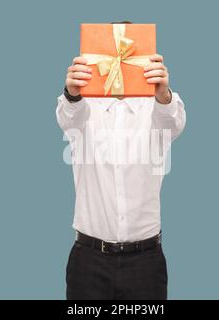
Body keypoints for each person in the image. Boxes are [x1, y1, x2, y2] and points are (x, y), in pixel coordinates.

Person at [56, 23, 186, 300]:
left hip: (145, 262)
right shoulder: (82, 109)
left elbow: (173, 122)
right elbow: (68, 116)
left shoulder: (158, 108)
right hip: (88, 262)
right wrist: (72, 92)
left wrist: (163, 95)